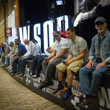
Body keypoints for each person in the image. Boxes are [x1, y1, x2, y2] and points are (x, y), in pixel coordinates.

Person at [78, 17, 110, 107]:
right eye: (97, 24)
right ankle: (87, 95)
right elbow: (92, 50)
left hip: (107, 63)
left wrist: (105, 62)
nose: (99, 26)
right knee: (82, 70)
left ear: (105, 24)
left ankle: (93, 95)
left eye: (101, 23)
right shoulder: (94, 38)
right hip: (96, 61)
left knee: (96, 73)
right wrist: (90, 60)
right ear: (95, 26)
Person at [53, 27, 88, 101]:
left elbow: (82, 55)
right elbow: (70, 54)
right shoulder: (70, 42)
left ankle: (69, 90)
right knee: (59, 67)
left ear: (74, 32)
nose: (67, 35)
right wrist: (67, 59)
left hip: (82, 59)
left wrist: (70, 61)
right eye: (66, 33)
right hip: (74, 58)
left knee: (69, 69)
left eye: (69, 33)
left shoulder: (80, 40)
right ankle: (60, 85)